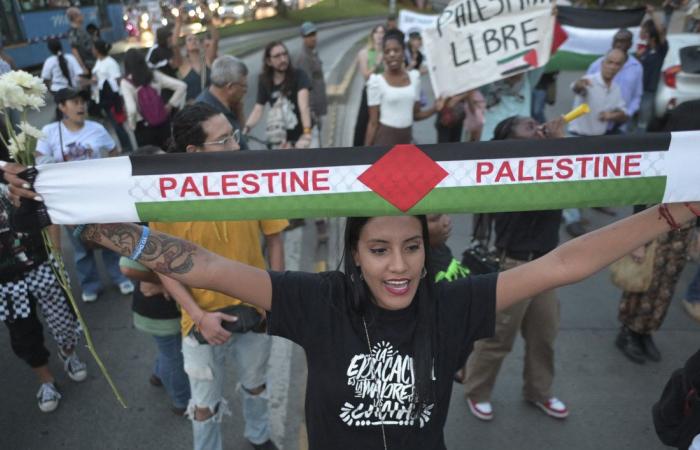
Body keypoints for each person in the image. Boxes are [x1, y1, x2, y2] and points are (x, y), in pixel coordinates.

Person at [6, 177, 700, 448]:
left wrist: (671, 213)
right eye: (378, 249)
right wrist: (92, 224)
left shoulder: (455, 304)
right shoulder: (317, 301)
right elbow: (205, 264)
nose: (397, 266)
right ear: (355, 254)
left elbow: (562, 265)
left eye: (409, 248)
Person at [155, 103, 286, 450]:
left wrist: (275, 298)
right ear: (193, 151)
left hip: (256, 312)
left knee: (256, 385)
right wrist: (199, 317)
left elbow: (274, 238)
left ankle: (259, 437)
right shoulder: (166, 198)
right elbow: (163, 266)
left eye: (234, 136)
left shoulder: (251, 179)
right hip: (200, 323)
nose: (236, 147)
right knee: (203, 404)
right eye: (224, 140)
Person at [464, 115, 569, 421]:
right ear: (510, 140)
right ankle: (478, 391)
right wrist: (557, 145)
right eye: (528, 127)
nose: (539, 127)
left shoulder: (552, 163)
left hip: (549, 264)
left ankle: (539, 390)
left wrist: (558, 145)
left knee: (544, 335)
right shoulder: (509, 172)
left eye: (538, 123)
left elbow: (577, 173)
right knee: (498, 338)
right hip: (513, 263)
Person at [35, 87, 134, 302]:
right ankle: (90, 284)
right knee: (81, 246)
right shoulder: (50, 131)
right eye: (75, 102)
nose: (81, 106)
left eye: (82, 102)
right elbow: (40, 159)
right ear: (62, 107)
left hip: (100, 196)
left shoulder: (97, 128)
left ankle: (120, 277)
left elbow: (114, 152)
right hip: (70, 200)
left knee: (109, 239)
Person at [0, 186, 87, 413]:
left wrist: (56, 252)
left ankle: (68, 353)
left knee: (64, 316)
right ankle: (46, 380)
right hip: (5, 280)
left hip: (41, 264)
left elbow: (46, 211)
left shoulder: (11, 178)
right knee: (23, 332)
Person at [120, 145, 191, 415]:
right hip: (157, 306)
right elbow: (127, 268)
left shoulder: (159, 203)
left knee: (169, 349)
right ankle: (182, 402)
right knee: (175, 354)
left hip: (158, 303)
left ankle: (158, 375)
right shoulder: (145, 215)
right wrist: (163, 281)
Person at [565, 48, 628, 237]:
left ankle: (574, 213)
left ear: (621, 67)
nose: (612, 66)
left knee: (587, 181)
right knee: (573, 181)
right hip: (577, 138)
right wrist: (580, 85)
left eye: (617, 63)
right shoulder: (589, 81)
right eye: (610, 62)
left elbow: (624, 113)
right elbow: (577, 87)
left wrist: (611, 115)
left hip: (597, 141)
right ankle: (572, 220)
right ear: (603, 63)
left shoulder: (615, 89)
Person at [364, 29, 443, 146]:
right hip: (384, 141)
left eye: (396, 50)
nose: (392, 54)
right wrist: (365, 154)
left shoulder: (414, 78)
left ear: (403, 52)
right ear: (384, 56)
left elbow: (416, 115)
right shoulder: (376, 82)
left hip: (406, 141)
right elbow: (373, 123)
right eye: (387, 51)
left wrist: (435, 109)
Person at [244, 41, 312, 149]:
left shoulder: (299, 75)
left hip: (303, 132)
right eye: (277, 56)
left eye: (285, 54)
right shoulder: (264, 80)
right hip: (280, 136)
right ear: (268, 61)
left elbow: (304, 106)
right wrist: (246, 128)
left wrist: (307, 134)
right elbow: (258, 108)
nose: (283, 59)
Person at [120, 48, 186, 147]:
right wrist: (170, 105)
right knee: (169, 153)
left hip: (142, 127)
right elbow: (182, 86)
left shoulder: (126, 83)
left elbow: (132, 109)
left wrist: (132, 125)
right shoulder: (154, 75)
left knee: (149, 160)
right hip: (162, 121)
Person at [586, 29, 643, 132]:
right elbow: (585, 91)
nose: (618, 44)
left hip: (621, 125)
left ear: (630, 44)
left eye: (623, 41)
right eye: (616, 41)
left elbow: (637, 95)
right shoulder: (596, 65)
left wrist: (628, 114)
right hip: (596, 122)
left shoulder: (636, 67)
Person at [195, 55, 249, 150]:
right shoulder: (206, 113)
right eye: (243, 86)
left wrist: (239, 112)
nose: (245, 90)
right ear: (230, 87)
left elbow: (241, 136)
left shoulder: (230, 103)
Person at [91, 39, 132, 153]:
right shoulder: (99, 61)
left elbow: (117, 80)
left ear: (98, 50)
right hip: (103, 98)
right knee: (114, 123)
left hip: (113, 98)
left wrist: (120, 98)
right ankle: (124, 146)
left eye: (93, 48)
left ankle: (127, 147)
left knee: (118, 123)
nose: (92, 50)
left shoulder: (110, 62)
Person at [294, 21, 327, 148]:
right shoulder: (303, 58)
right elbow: (306, 88)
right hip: (312, 112)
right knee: (314, 146)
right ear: (303, 38)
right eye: (309, 35)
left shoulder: (313, 52)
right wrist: (312, 112)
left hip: (317, 107)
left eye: (314, 34)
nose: (313, 38)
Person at [637, 6, 669, 130]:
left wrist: (653, 13)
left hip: (649, 91)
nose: (643, 34)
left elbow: (660, 31)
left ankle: (639, 143)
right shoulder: (645, 50)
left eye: (646, 32)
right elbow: (639, 32)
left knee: (643, 121)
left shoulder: (661, 49)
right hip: (638, 89)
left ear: (652, 35)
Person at [353, 24, 385, 147]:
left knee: (380, 123)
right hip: (370, 90)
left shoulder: (387, 52)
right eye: (377, 32)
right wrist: (377, 64)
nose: (380, 35)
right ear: (372, 35)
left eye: (382, 33)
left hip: (384, 91)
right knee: (365, 122)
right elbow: (366, 75)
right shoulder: (364, 52)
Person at [179, 18, 219, 102]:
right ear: (185, 47)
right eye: (190, 40)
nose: (194, 41)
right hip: (194, 109)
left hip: (210, 105)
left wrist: (209, 22)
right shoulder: (184, 64)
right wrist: (178, 22)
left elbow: (215, 39)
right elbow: (174, 45)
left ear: (200, 44)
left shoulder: (207, 59)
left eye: (196, 39)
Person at [66, 7, 95, 73]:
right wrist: (83, 67)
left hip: (93, 63)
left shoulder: (81, 29)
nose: (83, 16)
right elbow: (74, 51)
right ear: (75, 17)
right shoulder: (73, 32)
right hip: (88, 65)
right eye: (81, 14)